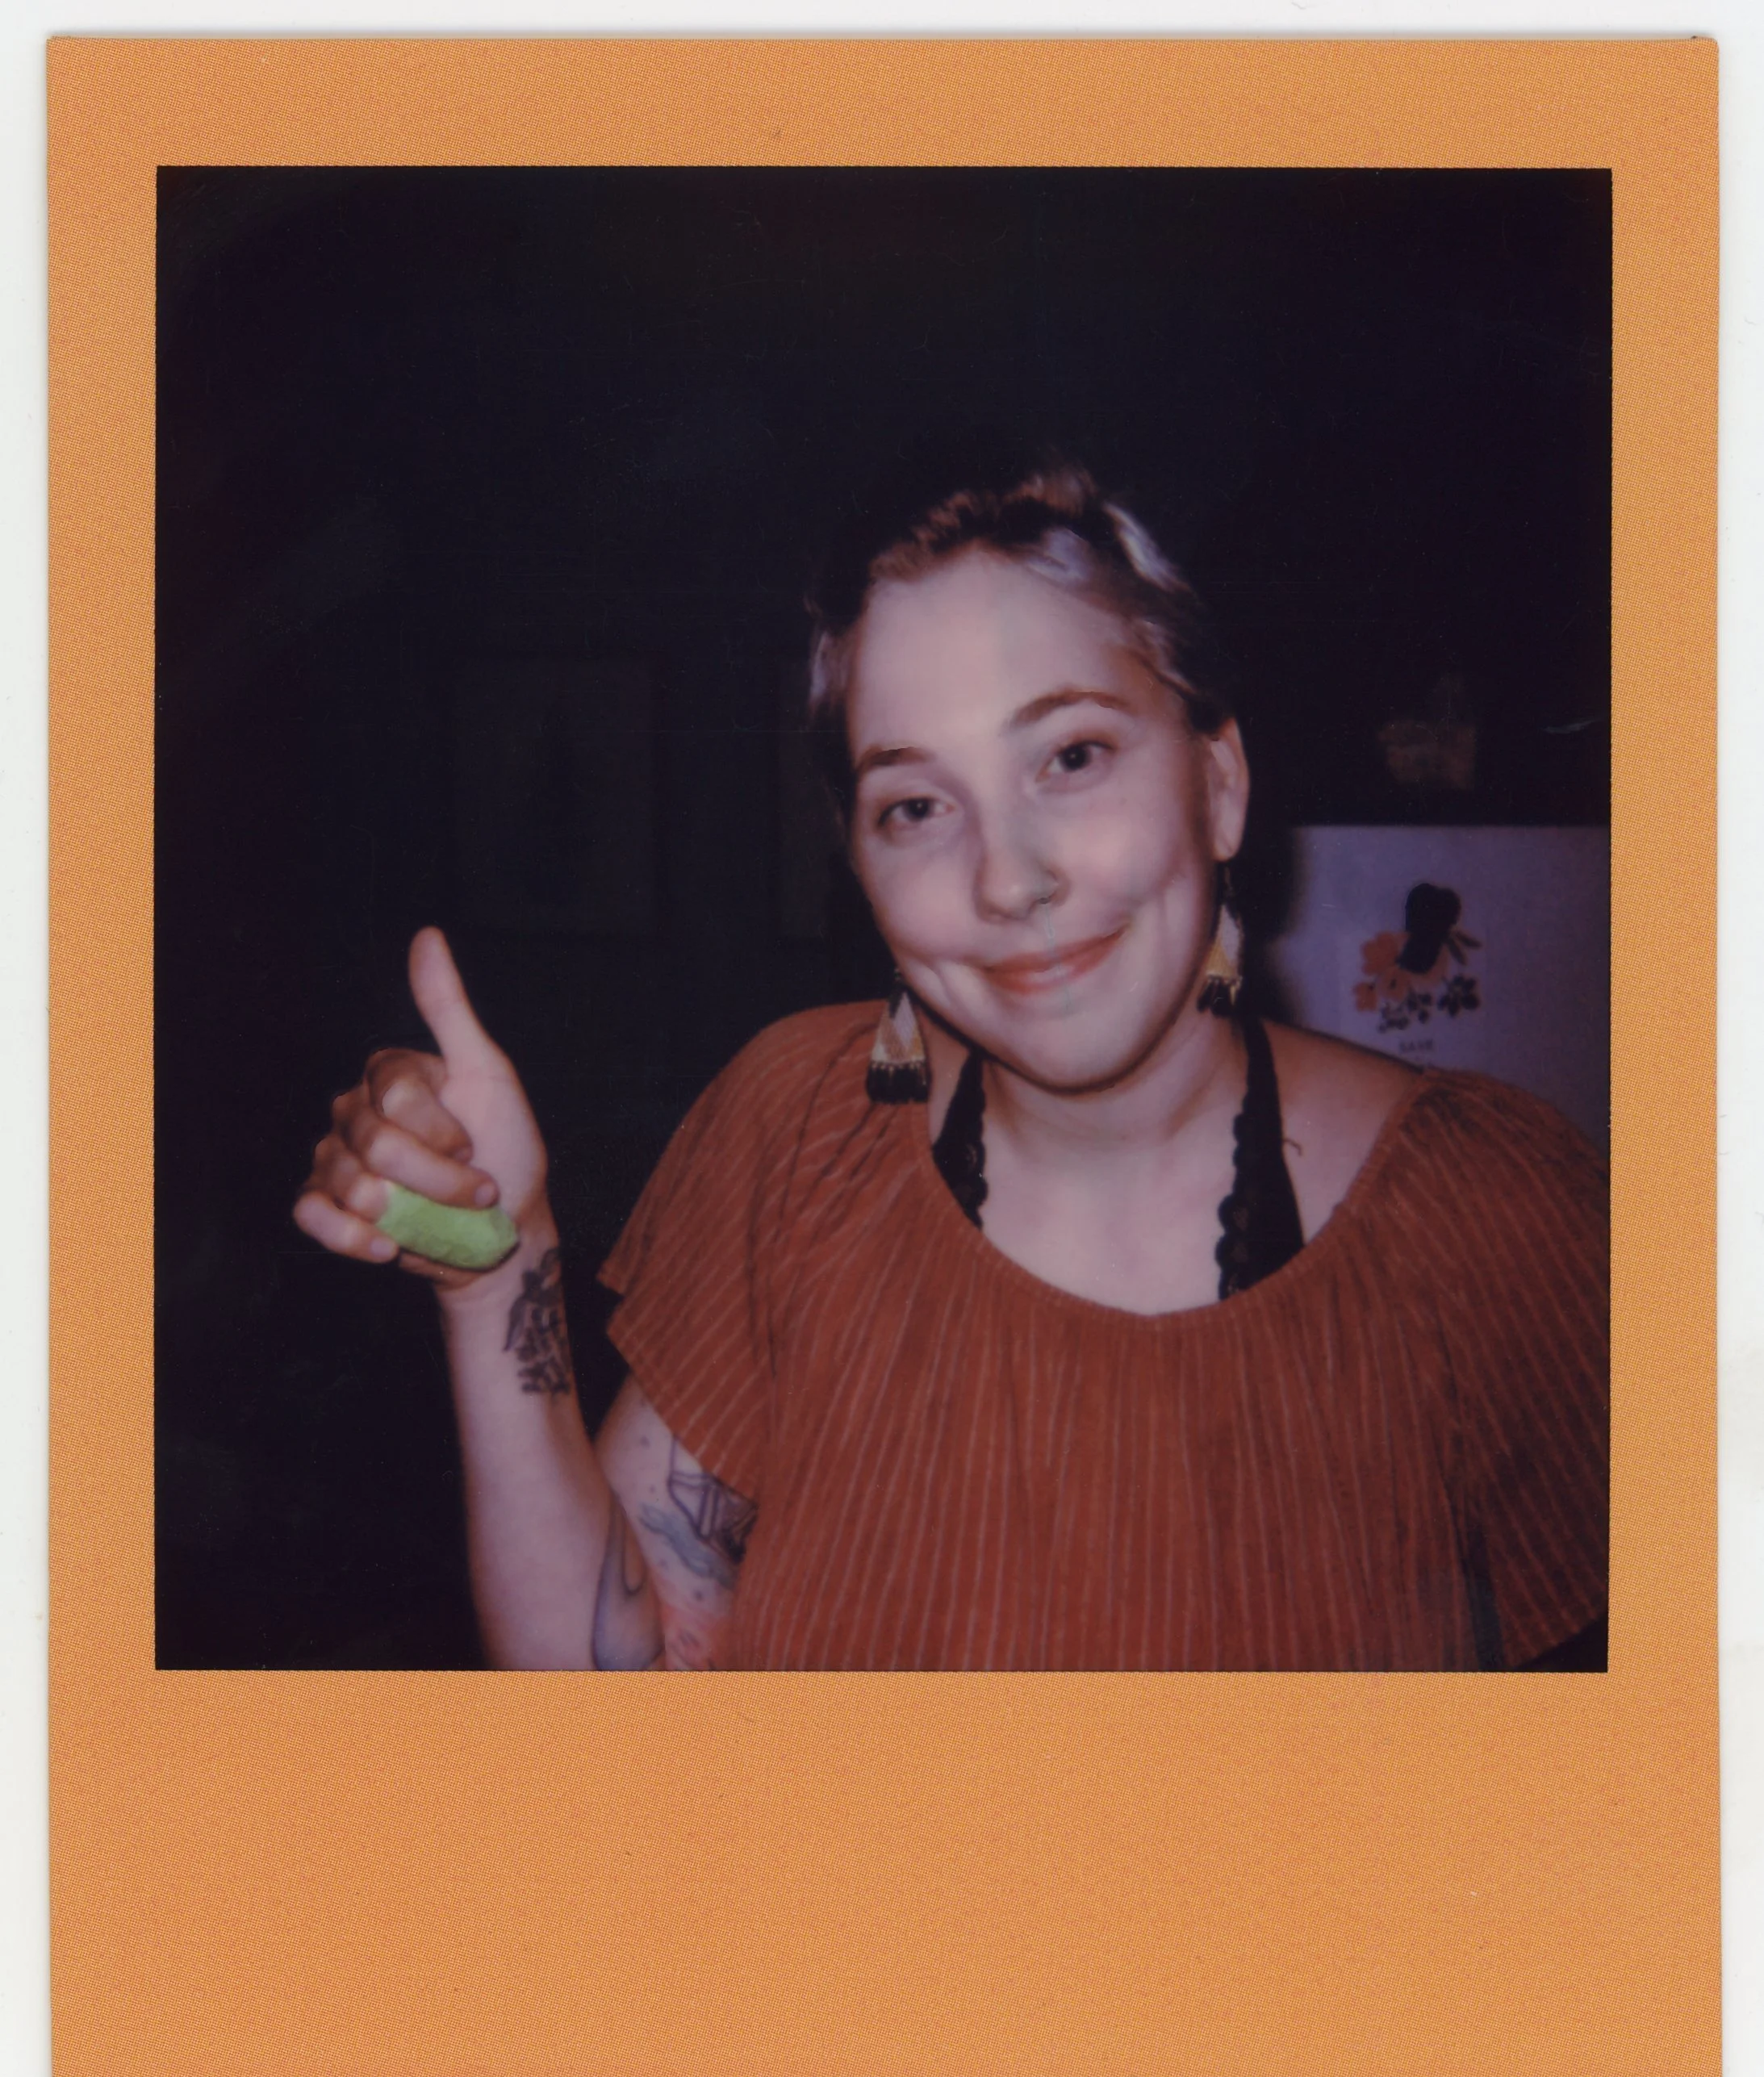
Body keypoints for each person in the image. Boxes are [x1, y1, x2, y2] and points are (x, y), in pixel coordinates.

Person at [294, 453, 1609, 1672]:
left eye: (1072, 755)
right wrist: (501, 1265)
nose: (1006, 878)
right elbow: (614, 1691)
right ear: (858, 865)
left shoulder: (1496, 1217)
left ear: (1217, 782)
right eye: (915, 806)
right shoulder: (793, 1137)